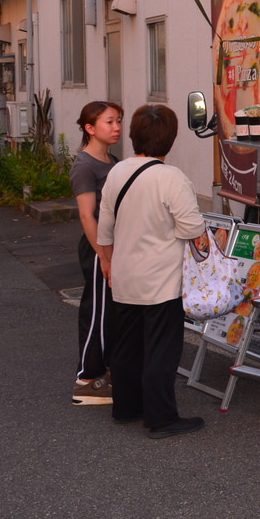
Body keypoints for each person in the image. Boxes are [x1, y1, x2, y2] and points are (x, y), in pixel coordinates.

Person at [96, 105, 210, 439]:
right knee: (161, 349)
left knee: (127, 347)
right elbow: (192, 228)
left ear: (133, 135)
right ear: (170, 139)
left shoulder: (117, 173)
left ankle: (126, 408)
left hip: (125, 276)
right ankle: (161, 418)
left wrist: (108, 261)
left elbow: (105, 229)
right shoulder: (171, 178)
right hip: (161, 280)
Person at [70, 101, 123, 405]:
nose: (116, 128)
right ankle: (87, 380)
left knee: (112, 312)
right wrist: (103, 256)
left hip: (114, 246)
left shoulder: (112, 160)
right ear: (90, 128)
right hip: (97, 248)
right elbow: (87, 216)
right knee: (97, 312)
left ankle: (106, 374)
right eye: (109, 122)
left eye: (118, 121)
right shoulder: (85, 165)